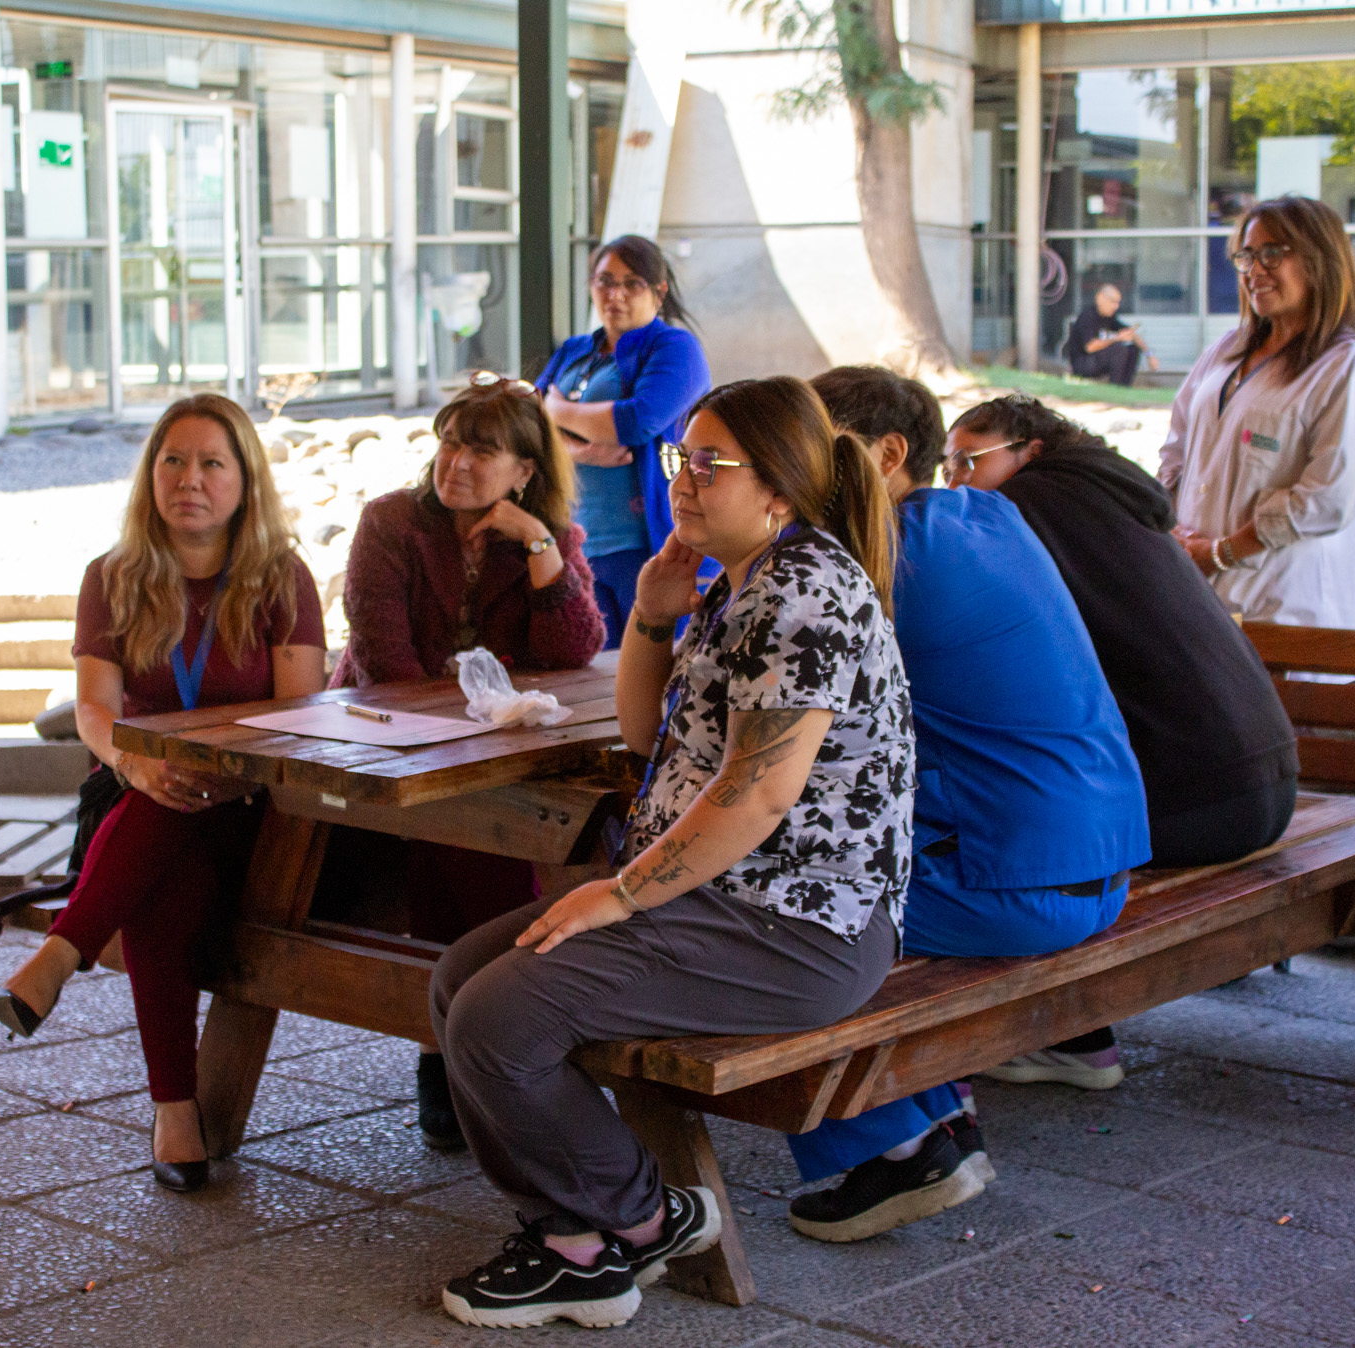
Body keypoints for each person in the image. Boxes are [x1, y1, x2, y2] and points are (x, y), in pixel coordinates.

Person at [427, 376, 913, 1329]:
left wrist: (622, 893)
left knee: (495, 1021)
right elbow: (649, 735)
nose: (682, 481)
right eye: (679, 459)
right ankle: (586, 1234)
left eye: (709, 464)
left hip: (799, 925)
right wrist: (653, 613)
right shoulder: (747, 580)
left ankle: (632, 1224)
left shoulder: (805, 591)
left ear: (779, 489)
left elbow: (760, 792)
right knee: (460, 981)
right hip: (722, 897)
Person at [780, 366, 1149, 1244]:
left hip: (1017, 885)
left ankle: (896, 1148)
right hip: (1098, 863)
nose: (788, 473)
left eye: (807, 452)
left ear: (887, 455)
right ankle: (936, 1116)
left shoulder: (886, 557)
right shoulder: (988, 517)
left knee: (770, 909)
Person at [0, 394, 326, 1194]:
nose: (189, 480)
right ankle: (175, 1108)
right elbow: (94, 712)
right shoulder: (113, 578)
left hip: (254, 806)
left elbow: (299, 718)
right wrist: (135, 766)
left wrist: (220, 773)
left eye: (211, 463)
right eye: (173, 461)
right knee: (160, 849)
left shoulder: (282, 579)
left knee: (158, 837)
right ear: (150, 475)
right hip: (142, 798)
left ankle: (61, 958)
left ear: (245, 480)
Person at [949, 392, 1302, 1090]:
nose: (956, 482)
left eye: (970, 461)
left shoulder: (1024, 509)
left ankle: (1060, 1036)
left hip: (1196, 804)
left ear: (1031, 453)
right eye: (947, 465)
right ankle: (1074, 1034)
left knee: (990, 822)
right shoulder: (1108, 498)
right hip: (1267, 783)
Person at [325, 372, 603, 1151]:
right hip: (387, 743)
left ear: (524, 471)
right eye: (450, 442)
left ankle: (481, 1044)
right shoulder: (392, 522)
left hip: (503, 755)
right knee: (470, 835)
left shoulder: (546, 536)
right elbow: (385, 662)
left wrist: (539, 545)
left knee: (564, 829)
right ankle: (454, 1047)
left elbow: (574, 650)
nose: (456, 462)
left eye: (482, 451)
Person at [1160, 195, 1355, 628]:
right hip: (1203, 602)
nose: (1255, 271)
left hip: (1288, 612)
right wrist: (1171, 528)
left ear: (1319, 261)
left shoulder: (1348, 366)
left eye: (1272, 254)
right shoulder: (1225, 352)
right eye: (1247, 256)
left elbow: (1326, 499)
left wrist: (1222, 553)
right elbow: (1176, 454)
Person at [536, 235, 712, 647]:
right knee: (591, 669)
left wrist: (557, 409)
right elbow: (527, 422)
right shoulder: (575, 350)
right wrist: (579, 450)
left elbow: (637, 420)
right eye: (604, 281)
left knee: (657, 667)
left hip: (652, 544)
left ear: (659, 292)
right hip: (578, 542)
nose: (615, 294)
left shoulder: (675, 348)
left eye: (632, 283)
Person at [1064, 283, 1158, 387]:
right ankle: (1115, 386)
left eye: (1118, 303)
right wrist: (1117, 338)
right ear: (1100, 298)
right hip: (1082, 363)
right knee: (1118, 349)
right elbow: (1090, 347)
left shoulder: (1108, 317)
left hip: (1097, 361)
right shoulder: (1088, 316)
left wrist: (1149, 355)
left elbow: (1132, 334)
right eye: (1112, 302)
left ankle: (1124, 387)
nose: (1116, 307)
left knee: (1132, 348)